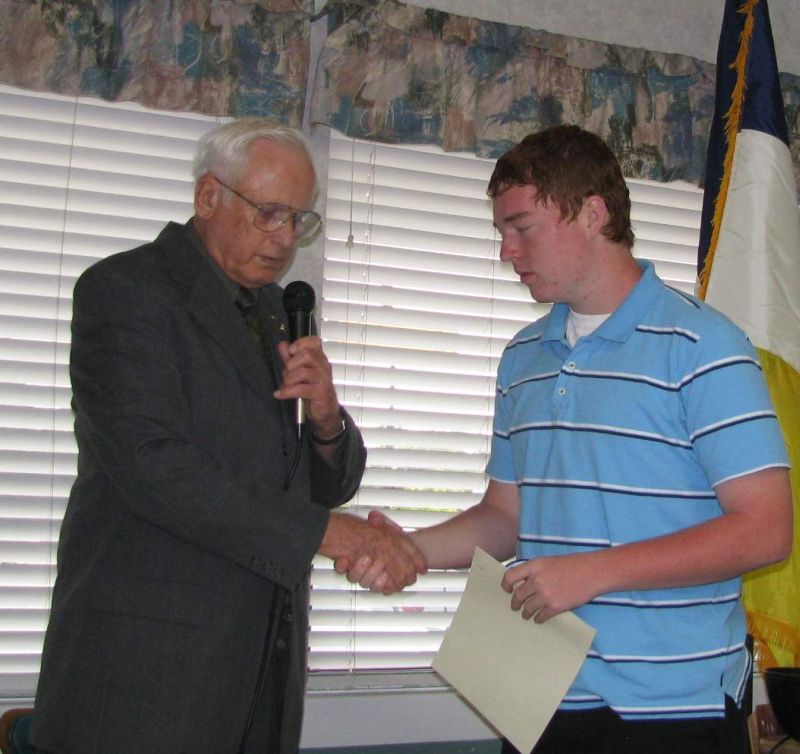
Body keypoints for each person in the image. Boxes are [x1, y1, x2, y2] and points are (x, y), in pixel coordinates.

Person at [348, 124, 793, 754]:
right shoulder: (523, 357)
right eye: (501, 232)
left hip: (672, 707)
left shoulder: (705, 347)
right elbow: (506, 517)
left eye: (522, 228)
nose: (507, 251)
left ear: (592, 214)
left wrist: (594, 573)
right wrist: (409, 550)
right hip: (540, 695)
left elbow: (766, 531)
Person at [29, 118, 426, 754]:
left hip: (259, 668)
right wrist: (333, 535)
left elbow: (324, 483)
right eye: (269, 213)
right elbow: (153, 467)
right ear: (208, 196)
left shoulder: (275, 310)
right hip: (142, 679)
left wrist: (326, 416)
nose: (285, 238)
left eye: (299, 219)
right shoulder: (125, 291)